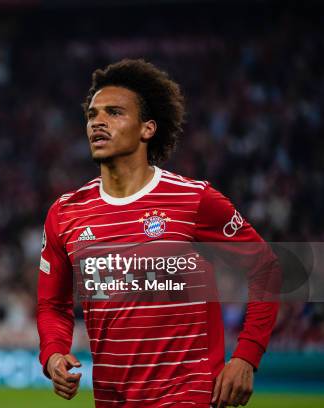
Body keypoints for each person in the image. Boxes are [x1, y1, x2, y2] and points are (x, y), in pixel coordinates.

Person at [37, 59, 279, 407]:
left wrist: (245, 357)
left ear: (147, 129)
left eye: (115, 112)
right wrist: (54, 354)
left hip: (188, 393)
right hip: (112, 397)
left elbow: (266, 268)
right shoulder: (65, 213)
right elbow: (52, 305)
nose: (98, 122)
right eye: (92, 114)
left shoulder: (193, 200)